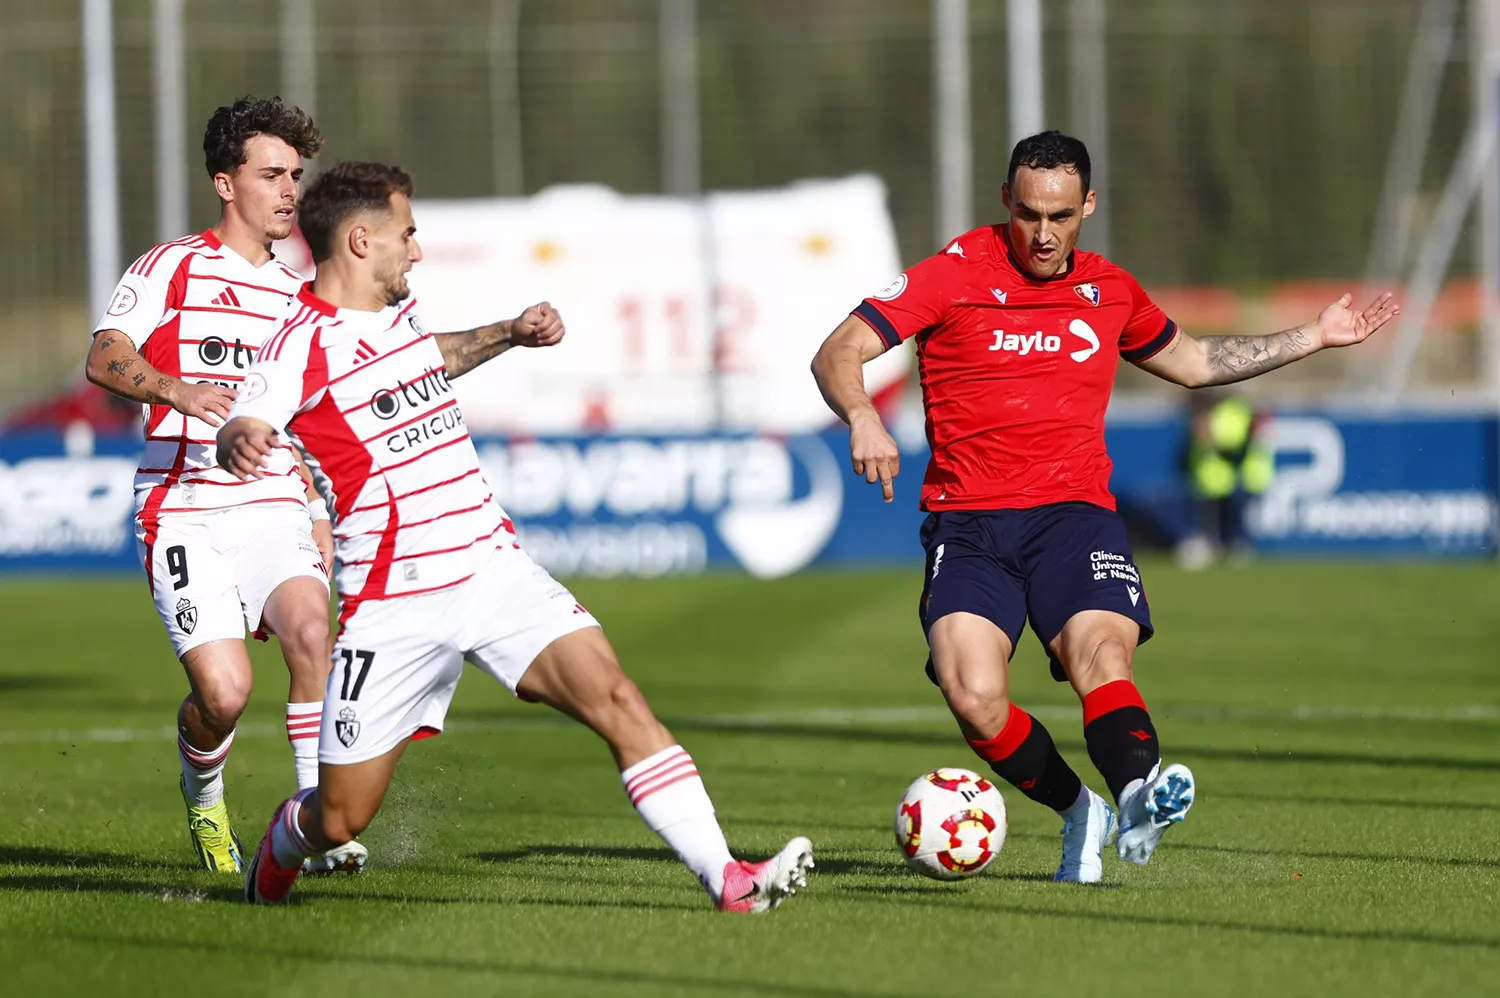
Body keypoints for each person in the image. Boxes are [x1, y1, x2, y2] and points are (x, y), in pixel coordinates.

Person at [218, 161, 814, 912]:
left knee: (619, 699)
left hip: (491, 569)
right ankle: (282, 844)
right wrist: (239, 440)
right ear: (361, 240)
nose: (419, 249)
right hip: (393, 604)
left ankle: (727, 877)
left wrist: (508, 333)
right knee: (340, 818)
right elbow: (248, 416)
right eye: (409, 233)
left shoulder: (398, 314)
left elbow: (427, 360)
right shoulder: (295, 347)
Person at [810, 130, 1398, 883]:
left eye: (1060, 215)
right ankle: (1081, 809)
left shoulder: (1111, 289)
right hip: (970, 522)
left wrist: (1314, 336)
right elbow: (839, 350)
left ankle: (1138, 797)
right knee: (973, 694)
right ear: (1005, 202)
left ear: (1087, 205)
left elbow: (1193, 361)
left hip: (1074, 515)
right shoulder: (952, 273)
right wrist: (862, 415)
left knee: (1099, 653)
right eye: (1027, 214)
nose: (1043, 233)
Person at [85, 96, 363, 875]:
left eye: (295, 177)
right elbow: (105, 356)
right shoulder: (168, 266)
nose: (288, 192)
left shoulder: (303, 295)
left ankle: (316, 820)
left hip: (274, 500)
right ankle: (205, 795)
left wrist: (314, 506)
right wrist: (173, 390)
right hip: (184, 508)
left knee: (314, 635)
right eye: (271, 174)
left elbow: (311, 419)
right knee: (225, 694)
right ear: (224, 181)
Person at [1176, 392, 1273, 569]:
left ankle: (1234, 546)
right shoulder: (1208, 415)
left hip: (1228, 477)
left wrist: (1211, 441)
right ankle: (1213, 547)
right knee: (1209, 517)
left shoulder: (1230, 413)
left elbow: (1234, 446)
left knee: (1230, 516)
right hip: (1208, 478)